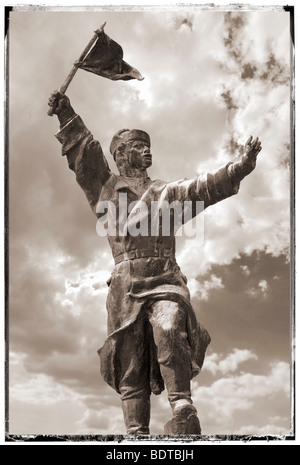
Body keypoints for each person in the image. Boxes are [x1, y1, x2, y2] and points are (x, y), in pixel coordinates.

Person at [48, 90, 262, 435]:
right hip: (126, 284)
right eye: (138, 145)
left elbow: (202, 188)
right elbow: (84, 154)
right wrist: (66, 112)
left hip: (164, 277)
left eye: (148, 145)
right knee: (132, 365)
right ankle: (137, 434)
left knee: (170, 324)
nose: (147, 150)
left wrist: (241, 167)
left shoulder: (166, 192)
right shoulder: (104, 188)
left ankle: (182, 406)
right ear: (120, 154)